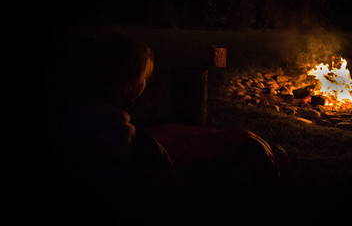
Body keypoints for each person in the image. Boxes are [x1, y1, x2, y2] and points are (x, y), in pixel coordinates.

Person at [51, 33, 287, 225]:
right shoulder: (117, 134)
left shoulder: (76, 111)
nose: (146, 82)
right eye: (144, 78)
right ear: (130, 88)